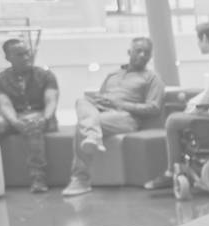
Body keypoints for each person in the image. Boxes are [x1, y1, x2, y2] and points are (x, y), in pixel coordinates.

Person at [144, 21, 209, 192]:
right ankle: (181, 166)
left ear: (205, 38)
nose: (198, 44)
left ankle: (171, 171)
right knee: (183, 115)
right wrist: (193, 104)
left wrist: (194, 108)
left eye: (198, 41)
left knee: (173, 121)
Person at [62, 37, 164, 197]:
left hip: (126, 117)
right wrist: (101, 101)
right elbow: (100, 98)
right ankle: (93, 135)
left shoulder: (152, 78)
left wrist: (120, 103)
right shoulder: (112, 75)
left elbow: (154, 108)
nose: (143, 55)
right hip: (103, 112)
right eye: (139, 51)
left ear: (150, 56)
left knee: (83, 125)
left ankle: (80, 179)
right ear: (130, 52)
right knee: (81, 102)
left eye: (147, 53)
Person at [0, 39, 59, 193]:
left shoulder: (46, 75)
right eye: (20, 54)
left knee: (33, 122)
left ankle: (38, 179)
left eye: (27, 53)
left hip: (43, 117)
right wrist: (15, 122)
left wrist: (45, 119)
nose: (26, 57)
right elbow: (5, 105)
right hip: (16, 118)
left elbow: (51, 101)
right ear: (8, 58)